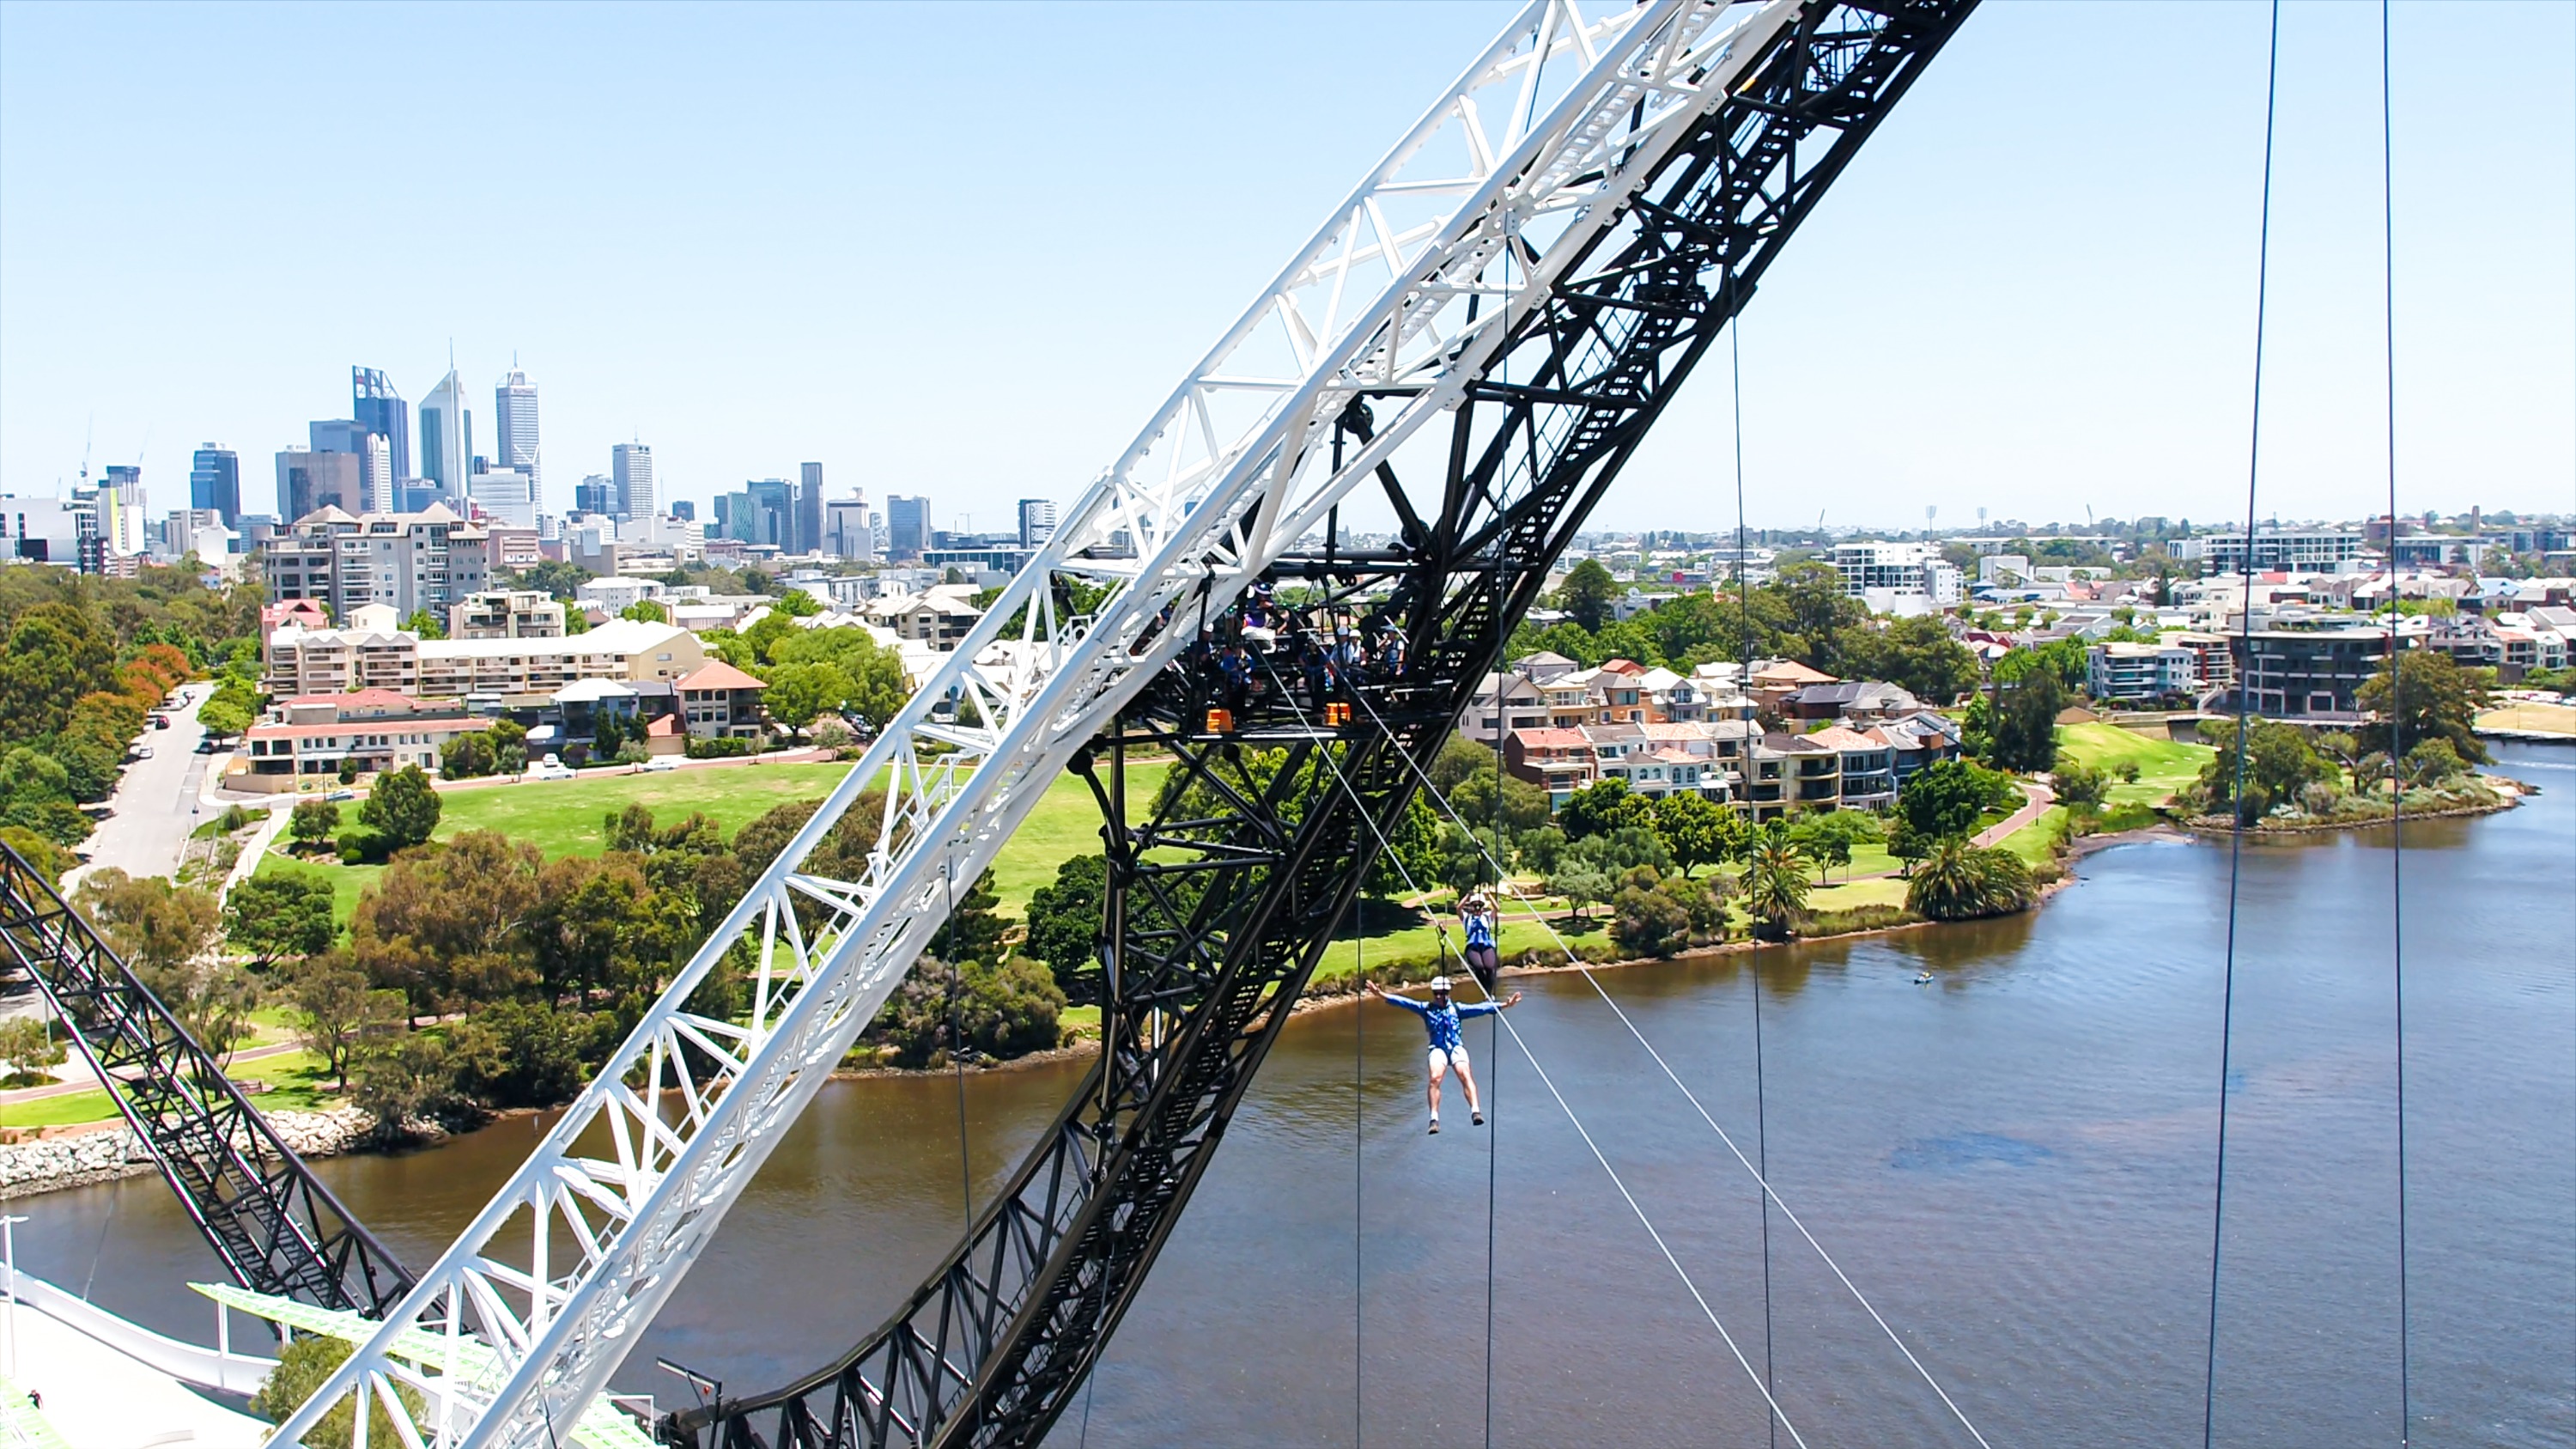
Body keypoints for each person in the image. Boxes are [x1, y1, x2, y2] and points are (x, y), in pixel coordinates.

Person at [1362, 976, 1521, 1133]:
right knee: (1435, 1078)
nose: (1438, 997)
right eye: (1435, 993)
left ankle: (1475, 1111)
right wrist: (1380, 995)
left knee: (1464, 1074)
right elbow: (1404, 1002)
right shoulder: (1426, 1009)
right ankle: (1434, 1118)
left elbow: (1481, 1008)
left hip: (1456, 1046)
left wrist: (1506, 1005)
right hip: (1437, 1048)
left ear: (1448, 993)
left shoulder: (1458, 1009)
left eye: (1441, 994)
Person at [1458, 892, 1500, 989]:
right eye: (1475, 906)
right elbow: (1459, 908)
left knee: (1490, 967)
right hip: (1472, 947)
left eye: (1480, 906)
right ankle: (1484, 989)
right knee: (1479, 967)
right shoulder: (1467, 918)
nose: (1477, 908)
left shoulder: (1487, 917)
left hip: (1486, 945)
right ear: (1471, 907)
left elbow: (1497, 909)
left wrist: (1489, 896)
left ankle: (1489, 991)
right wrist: (1468, 896)